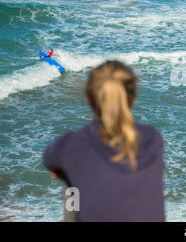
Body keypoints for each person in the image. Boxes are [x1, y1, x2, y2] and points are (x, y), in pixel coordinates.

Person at [43, 60, 165, 221]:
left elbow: (49, 161)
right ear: (133, 99)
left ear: (87, 98)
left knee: (68, 178)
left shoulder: (72, 144)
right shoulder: (152, 138)